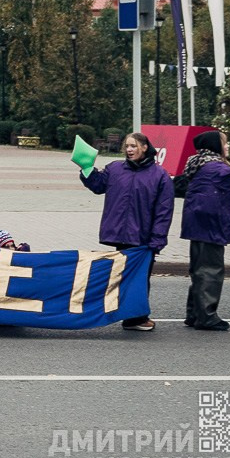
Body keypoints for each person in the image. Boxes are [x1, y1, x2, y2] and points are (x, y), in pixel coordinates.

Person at [78, 131, 172, 331]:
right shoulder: (115, 169)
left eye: (133, 146)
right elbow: (98, 185)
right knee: (122, 276)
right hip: (120, 235)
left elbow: (164, 211)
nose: (129, 150)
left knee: (140, 278)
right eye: (127, 146)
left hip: (144, 238)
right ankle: (130, 316)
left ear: (145, 148)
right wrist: (86, 168)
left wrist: (157, 239)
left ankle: (136, 317)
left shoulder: (159, 175)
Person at [179, 130, 230, 332]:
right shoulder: (216, 167)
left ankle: (194, 313)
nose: (228, 147)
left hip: (197, 223)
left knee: (198, 270)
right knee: (211, 271)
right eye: (225, 143)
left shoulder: (199, 163)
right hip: (211, 224)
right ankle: (207, 316)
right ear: (215, 146)